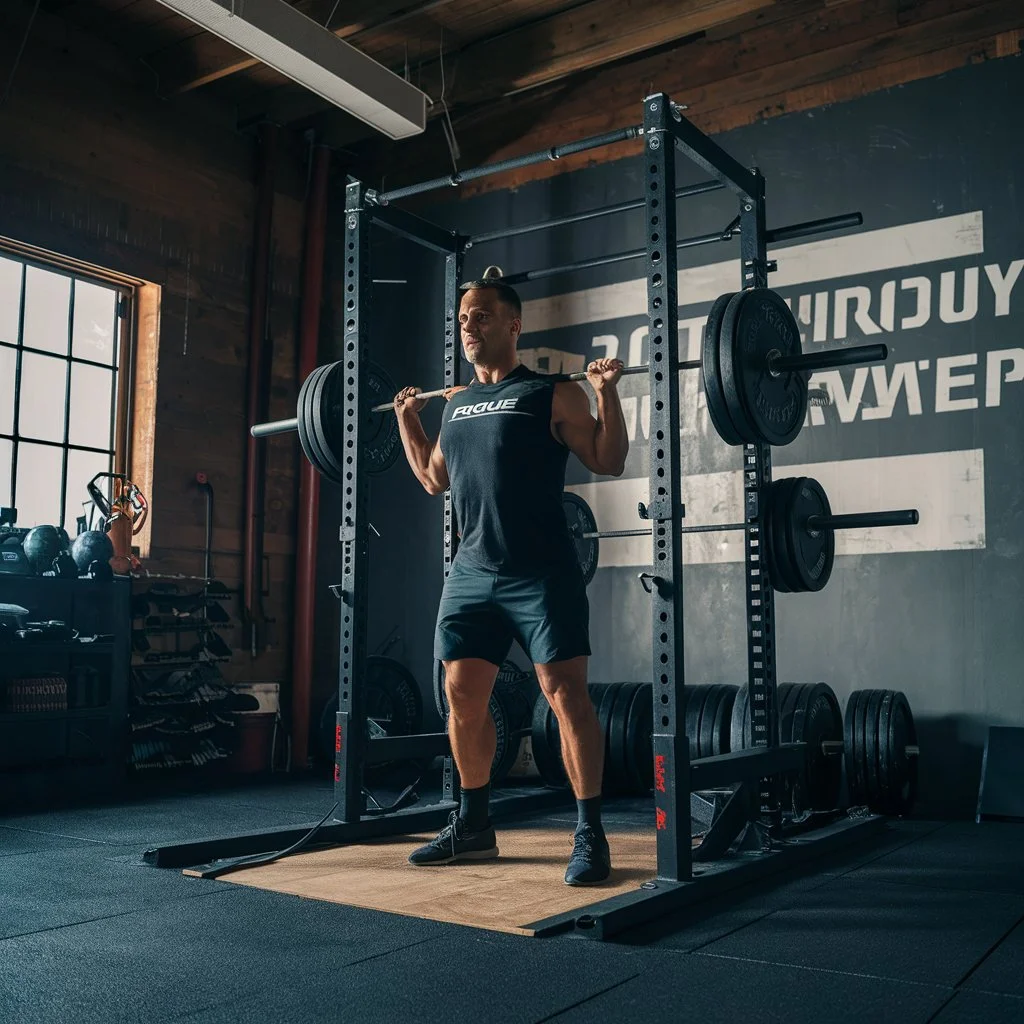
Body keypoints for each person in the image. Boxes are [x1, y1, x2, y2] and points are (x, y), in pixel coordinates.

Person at [393, 271, 628, 886]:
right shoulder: (458, 405)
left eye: (483, 315)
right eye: (465, 317)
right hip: (471, 572)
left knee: (566, 696)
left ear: (514, 325)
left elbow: (608, 458)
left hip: (540, 569)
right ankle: (473, 826)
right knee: (462, 696)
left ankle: (590, 832)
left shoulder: (552, 392)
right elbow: (432, 479)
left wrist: (606, 393)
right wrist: (407, 418)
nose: (469, 324)